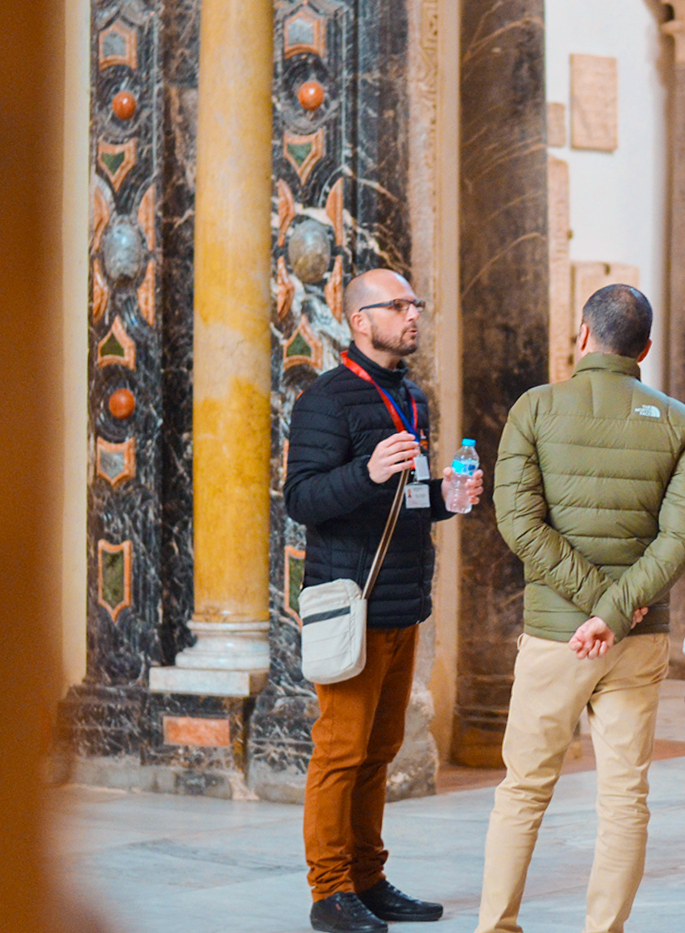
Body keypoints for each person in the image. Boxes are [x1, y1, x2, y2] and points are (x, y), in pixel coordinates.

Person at [479, 284, 685, 933]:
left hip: (556, 636)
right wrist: (615, 610)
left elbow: (519, 524)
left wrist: (591, 608)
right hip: (635, 641)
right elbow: (681, 538)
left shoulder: (536, 408)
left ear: (582, 335)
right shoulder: (677, 420)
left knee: (523, 790)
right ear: (646, 348)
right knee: (625, 799)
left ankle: (497, 926)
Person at [285, 268, 486, 933]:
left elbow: (411, 500)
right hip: (350, 602)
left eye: (415, 304)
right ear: (359, 321)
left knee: (380, 750)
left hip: (401, 603)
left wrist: (447, 502)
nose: (412, 315)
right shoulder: (326, 400)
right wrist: (364, 471)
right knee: (341, 751)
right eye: (396, 305)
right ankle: (330, 891)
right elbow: (302, 501)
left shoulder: (411, 397)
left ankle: (368, 878)